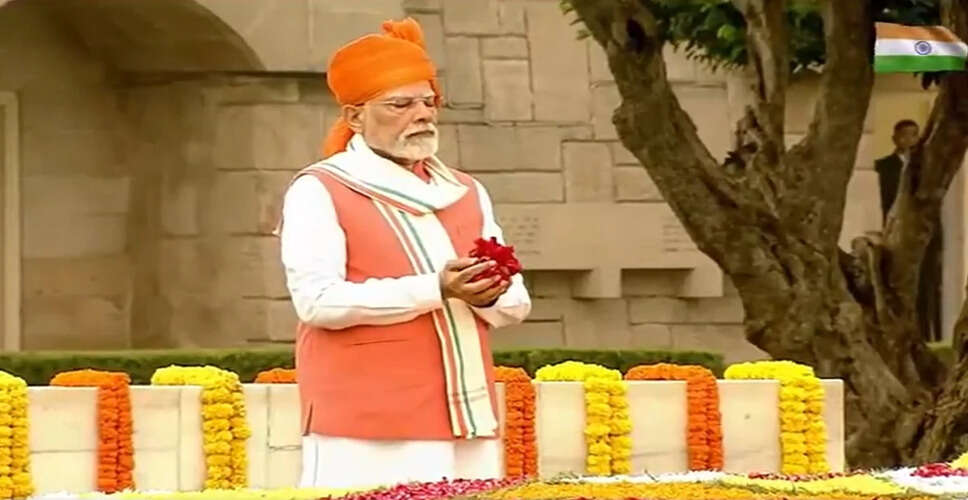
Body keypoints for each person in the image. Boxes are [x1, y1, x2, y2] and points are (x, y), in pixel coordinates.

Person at [276, 17, 532, 489]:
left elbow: (515, 302)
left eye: (428, 102)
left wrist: (488, 293)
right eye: (401, 104)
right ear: (355, 117)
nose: (422, 115)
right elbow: (317, 302)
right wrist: (436, 288)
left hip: (467, 414)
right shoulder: (320, 188)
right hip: (365, 422)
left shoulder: (466, 190)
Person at [874, 119, 942, 342]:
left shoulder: (928, 168)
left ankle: (928, 334)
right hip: (896, 234)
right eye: (904, 135)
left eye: (914, 135)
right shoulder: (883, 167)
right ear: (895, 138)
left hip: (923, 236)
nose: (910, 140)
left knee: (928, 286)